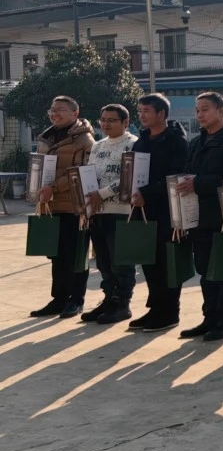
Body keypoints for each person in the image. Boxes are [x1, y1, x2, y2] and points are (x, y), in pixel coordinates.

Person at [177, 92, 223, 342]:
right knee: (205, 270)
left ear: (221, 111)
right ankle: (210, 318)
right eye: (197, 110)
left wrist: (198, 183)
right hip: (199, 215)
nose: (200, 115)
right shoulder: (197, 141)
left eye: (205, 109)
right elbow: (187, 172)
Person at [127, 93, 190, 332]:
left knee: (168, 263)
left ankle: (169, 312)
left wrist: (148, 193)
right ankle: (155, 309)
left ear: (161, 113)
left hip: (167, 211)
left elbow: (176, 176)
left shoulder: (176, 141)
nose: (142, 115)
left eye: (147, 111)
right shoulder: (142, 141)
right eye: (140, 111)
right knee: (149, 262)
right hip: (142, 210)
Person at [29, 96, 96, 320]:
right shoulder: (46, 136)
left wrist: (54, 187)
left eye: (60, 110)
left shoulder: (84, 140)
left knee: (75, 255)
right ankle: (58, 299)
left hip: (74, 205)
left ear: (75, 113)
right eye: (52, 110)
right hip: (50, 204)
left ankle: (76, 300)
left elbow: (83, 170)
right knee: (56, 255)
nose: (54, 114)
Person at [82, 104, 137, 324]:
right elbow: (89, 174)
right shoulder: (97, 145)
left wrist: (102, 194)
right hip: (97, 212)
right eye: (103, 119)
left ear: (125, 122)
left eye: (111, 120)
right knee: (104, 262)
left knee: (121, 261)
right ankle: (108, 300)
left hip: (121, 211)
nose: (106, 124)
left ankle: (122, 303)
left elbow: (128, 177)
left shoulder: (133, 144)